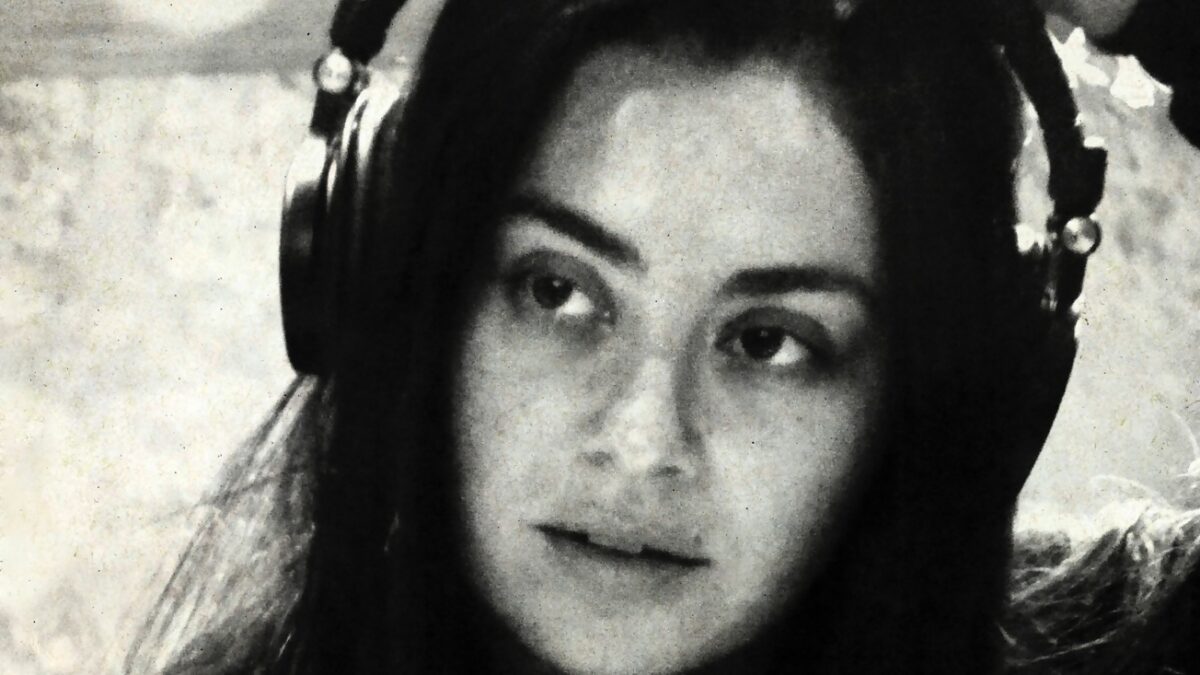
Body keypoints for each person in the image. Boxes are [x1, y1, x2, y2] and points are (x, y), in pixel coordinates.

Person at [124, 0, 1200, 673]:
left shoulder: (1109, 643)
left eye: (769, 341)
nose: (644, 443)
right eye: (556, 291)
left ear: (926, 396)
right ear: (407, 291)